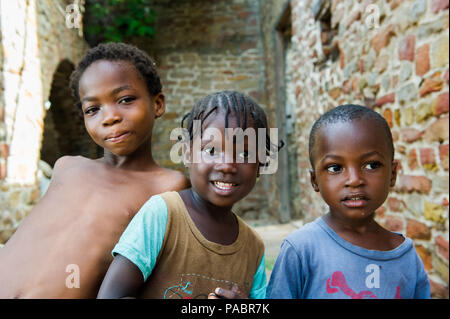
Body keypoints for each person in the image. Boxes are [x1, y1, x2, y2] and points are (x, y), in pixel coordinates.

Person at [0, 42, 189, 298]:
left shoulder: (168, 185)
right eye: (93, 109)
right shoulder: (67, 167)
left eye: (125, 100)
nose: (109, 116)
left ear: (157, 104)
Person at [97, 91, 279, 299]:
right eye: (211, 151)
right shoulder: (163, 215)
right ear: (187, 153)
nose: (227, 165)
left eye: (245, 154)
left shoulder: (253, 247)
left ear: (260, 165)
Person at [267, 104, 430, 299]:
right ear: (314, 181)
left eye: (371, 165)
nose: (354, 180)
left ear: (392, 174)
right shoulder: (301, 249)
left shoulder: (406, 257)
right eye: (335, 168)